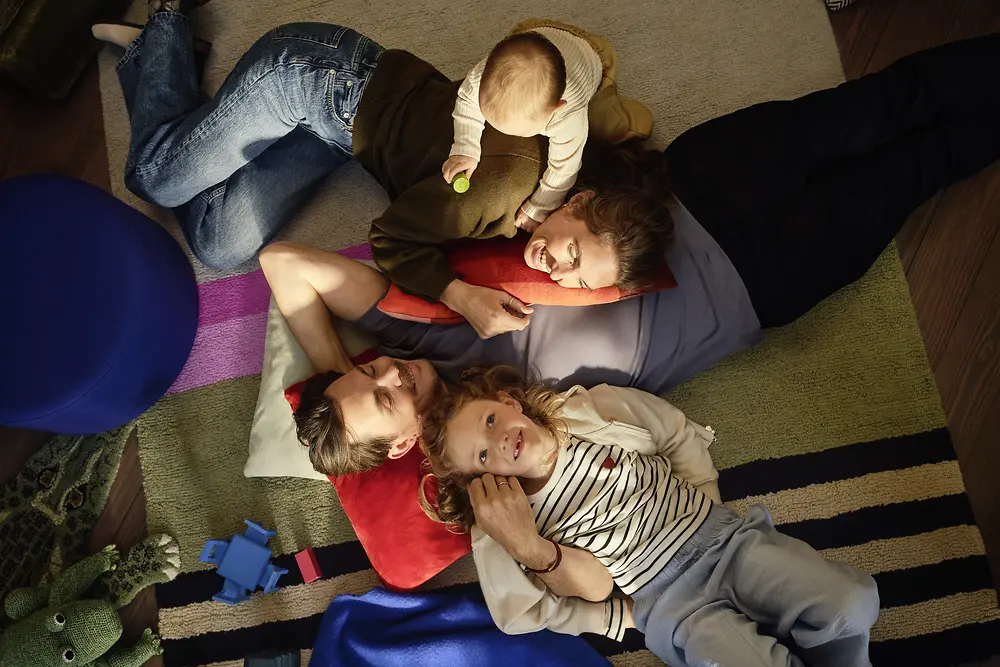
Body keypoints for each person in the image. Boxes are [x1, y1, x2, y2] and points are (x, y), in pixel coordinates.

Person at [261, 31, 1000, 477]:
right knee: (919, 167)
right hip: (760, 286)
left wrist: (336, 370)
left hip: (692, 191)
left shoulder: (410, 329)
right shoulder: (485, 453)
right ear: (397, 445)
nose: (390, 371)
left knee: (886, 104)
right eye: (386, 396)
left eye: (371, 370)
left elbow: (285, 264)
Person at [92, 9, 668, 340]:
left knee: (218, 244)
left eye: (581, 281)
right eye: (575, 252)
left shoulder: (561, 163)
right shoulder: (494, 191)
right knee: (155, 179)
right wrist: (459, 294)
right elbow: (390, 236)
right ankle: (164, 26)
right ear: (576, 202)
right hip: (313, 76)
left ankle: (172, 80)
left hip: (346, 137)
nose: (558, 271)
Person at [417, 365, 880, 667]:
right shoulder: (506, 524)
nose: (496, 440)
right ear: (481, 484)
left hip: (725, 542)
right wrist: (607, 613)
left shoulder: (591, 410)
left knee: (849, 602)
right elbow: (534, 606)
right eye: (482, 455)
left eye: (491, 421)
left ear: (509, 403)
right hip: (668, 604)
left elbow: (674, 432)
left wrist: (708, 498)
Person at [442, 20, 651, 231]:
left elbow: (565, 168)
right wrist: (465, 147)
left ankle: (631, 116)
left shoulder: (568, 116)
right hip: (537, 32)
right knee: (517, 58)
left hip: (592, 57)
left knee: (607, 126)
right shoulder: (482, 74)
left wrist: (539, 207)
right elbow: (467, 101)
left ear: (556, 108)